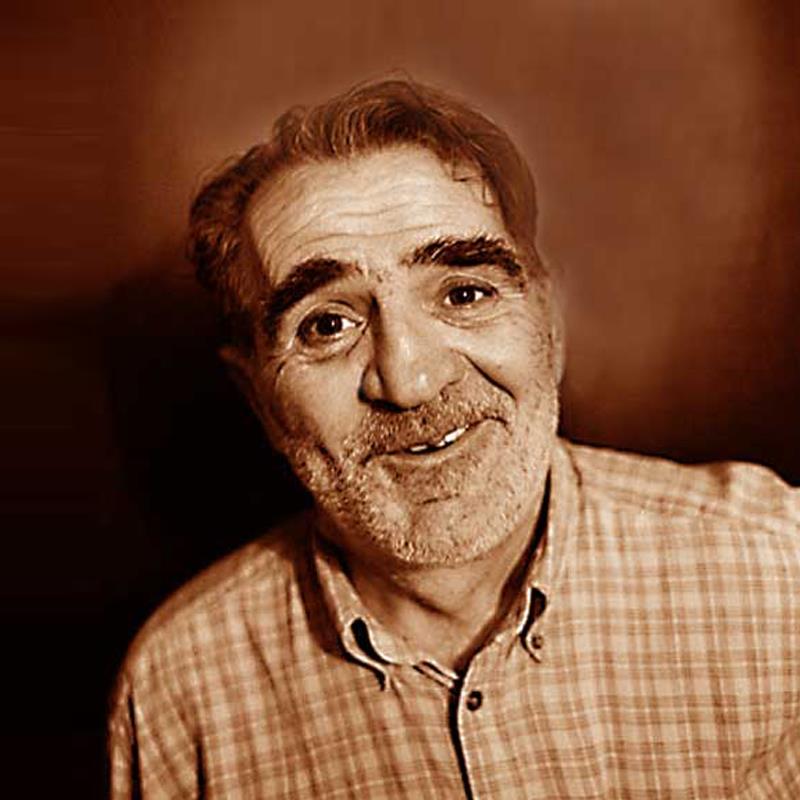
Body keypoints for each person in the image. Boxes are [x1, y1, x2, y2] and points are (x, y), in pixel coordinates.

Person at [108, 78, 800, 799]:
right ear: (261, 402)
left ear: (550, 328)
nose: (409, 380)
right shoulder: (180, 688)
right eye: (327, 324)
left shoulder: (782, 574)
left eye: (464, 293)